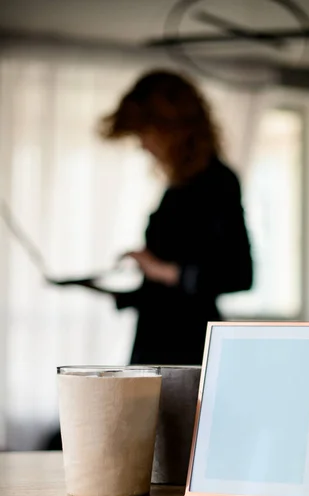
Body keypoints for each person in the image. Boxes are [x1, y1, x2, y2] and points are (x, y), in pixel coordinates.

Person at [99, 70, 253, 366]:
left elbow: (239, 274)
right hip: (155, 343)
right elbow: (169, 293)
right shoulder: (177, 187)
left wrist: (162, 270)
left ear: (172, 129)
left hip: (186, 350)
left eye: (145, 134)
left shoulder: (217, 182)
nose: (142, 145)